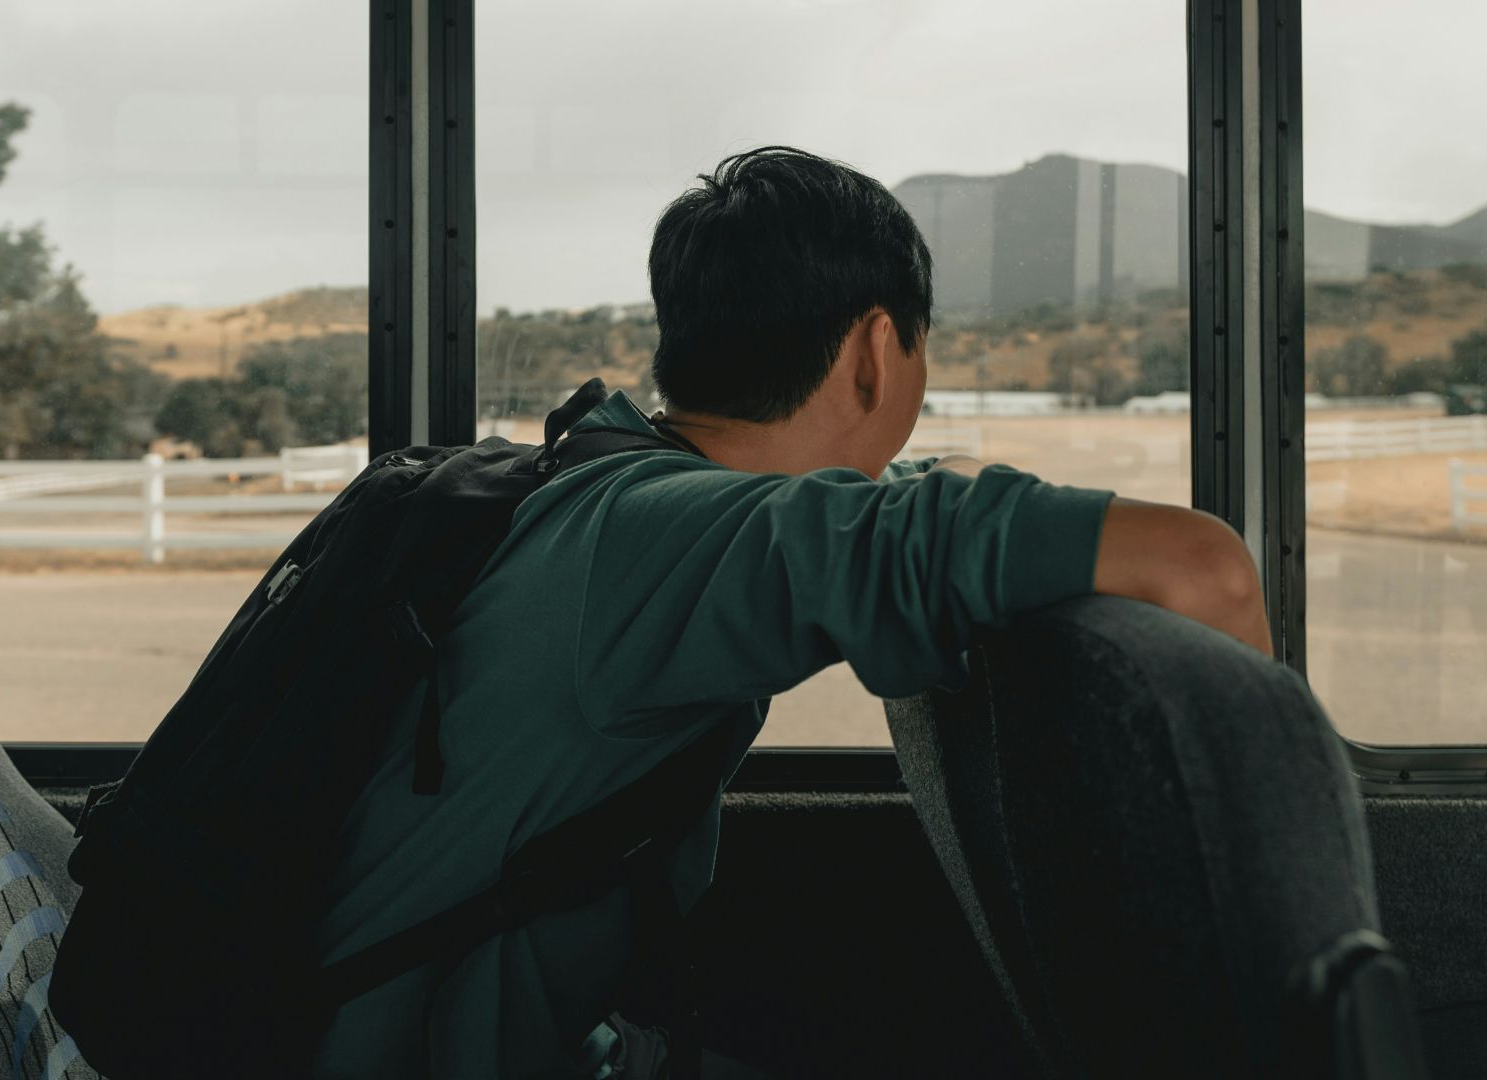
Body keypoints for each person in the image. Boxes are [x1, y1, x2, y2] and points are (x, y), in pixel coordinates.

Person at [311, 146, 1269, 1080]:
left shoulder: (603, 493)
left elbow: (910, 496)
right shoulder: (694, 542)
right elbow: (1205, 566)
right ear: (877, 351)